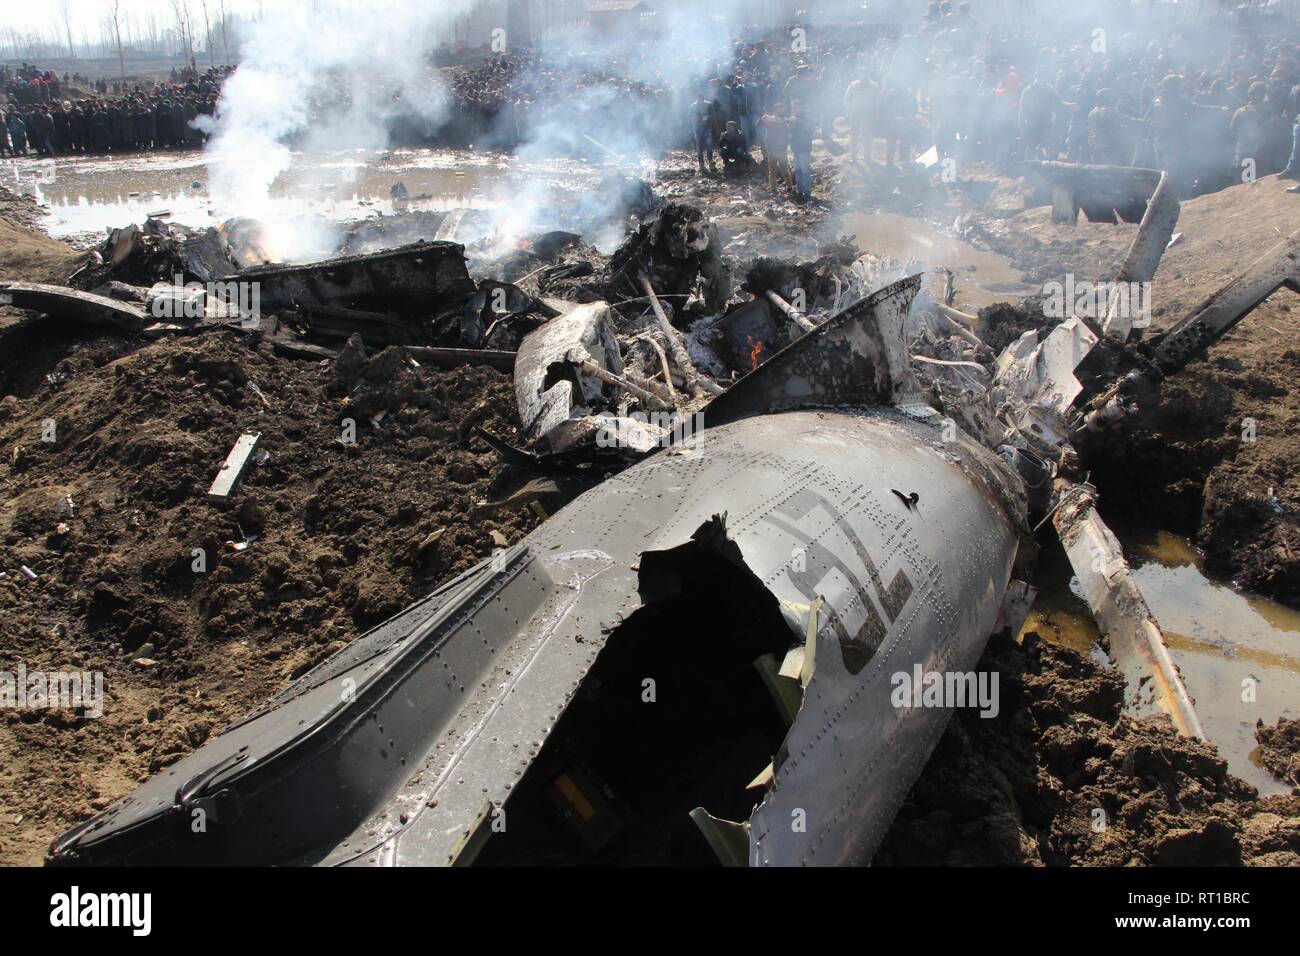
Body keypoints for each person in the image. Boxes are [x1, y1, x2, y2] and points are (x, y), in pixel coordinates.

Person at [759, 104, 791, 192]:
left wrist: (777, 120)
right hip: (771, 149)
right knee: (772, 170)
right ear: (775, 110)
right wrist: (762, 119)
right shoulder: (769, 119)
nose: (781, 110)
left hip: (781, 149)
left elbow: (785, 125)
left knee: (784, 169)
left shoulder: (784, 119)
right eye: (779, 109)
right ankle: (773, 188)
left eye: (781, 109)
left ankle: (789, 187)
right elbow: (759, 125)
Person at [789, 99, 814, 201]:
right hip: (796, 148)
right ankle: (799, 190)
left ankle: (807, 191)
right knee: (798, 170)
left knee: (805, 170)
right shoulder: (792, 118)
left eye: (796, 107)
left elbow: (809, 129)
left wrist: (797, 121)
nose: (794, 109)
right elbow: (791, 132)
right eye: (793, 107)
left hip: (804, 148)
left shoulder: (806, 116)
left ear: (801, 107)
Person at [691, 90, 719, 174]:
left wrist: (707, 117)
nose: (700, 100)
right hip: (697, 128)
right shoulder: (693, 106)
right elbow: (690, 116)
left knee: (709, 145)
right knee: (699, 146)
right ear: (696, 98)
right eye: (699, 98)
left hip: (707, 128)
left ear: (703, 98)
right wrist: (696, 119)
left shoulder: (708, 105)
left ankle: (710, 162)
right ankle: (701, 164)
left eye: (701, 98)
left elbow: (713, 115)